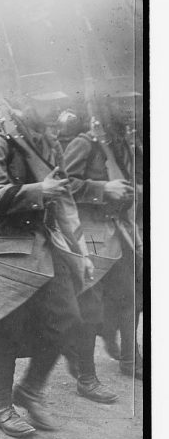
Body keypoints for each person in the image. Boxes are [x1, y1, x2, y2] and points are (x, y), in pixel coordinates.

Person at [0, 107, 90, 438]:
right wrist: (39, 190)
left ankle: (30, 390)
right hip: (8, 248)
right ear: (22, 107)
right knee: (4, 329)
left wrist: (81, 249)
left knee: (68, 320)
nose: (54, 115)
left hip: (48, 249)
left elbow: (65, 201)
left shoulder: (49, 147)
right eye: (45, 105)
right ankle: (1, 408)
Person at [62, 112, 142, 385]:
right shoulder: (84, 144)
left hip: (119, 232)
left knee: (130, 298)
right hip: (90, 234)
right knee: (90, 307)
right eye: (121, 107)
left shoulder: (123, 145)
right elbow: (63, 186)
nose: (129, 113)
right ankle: (86, 376)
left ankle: (132, 360)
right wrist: (102, 188)